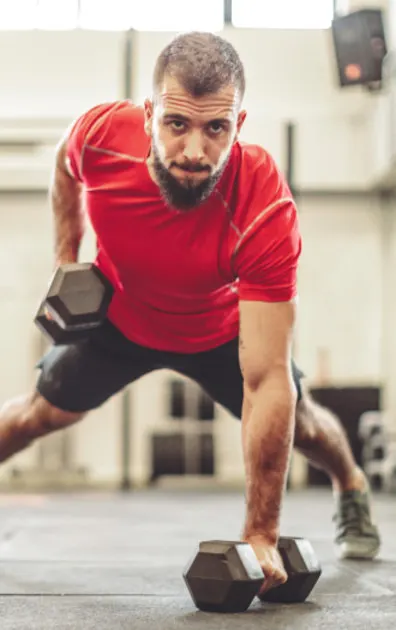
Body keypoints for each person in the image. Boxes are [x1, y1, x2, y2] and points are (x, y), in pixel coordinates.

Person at [0, 31, 380, 594]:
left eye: (215, 129)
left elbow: (269, 377)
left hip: (219, 332)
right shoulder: (103, 136)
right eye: (177, 124)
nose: (195, 151)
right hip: (121, 318)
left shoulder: (263, 204)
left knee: (299, 422)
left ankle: (350, 484)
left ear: (239, 126)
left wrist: (261, 535)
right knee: (39, 415)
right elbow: (64, 168)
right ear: (149, 113)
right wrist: (66, 258)